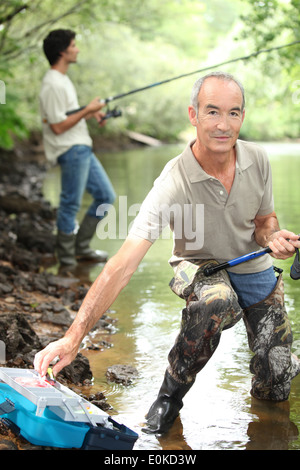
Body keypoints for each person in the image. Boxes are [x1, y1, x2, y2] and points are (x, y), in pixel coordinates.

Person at [34, 71, 300, 435]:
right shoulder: (172, 181)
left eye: (234, 113)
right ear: (193, 115)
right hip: (200, 266)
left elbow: (265, 220)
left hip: (252, 266)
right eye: (212, 112)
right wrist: (74, 336)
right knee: (216, 300)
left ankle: (277, 384)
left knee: (276, 384)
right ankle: (169, 395)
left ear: (243, 116)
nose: (224, 125)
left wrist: (272, 238)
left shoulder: (258, 159)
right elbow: (122, 264)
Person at [40, 29, 116, 266]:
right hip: (70, 149)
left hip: (81, 147)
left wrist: (91, 114)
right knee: (70, 203)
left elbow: (67, 115)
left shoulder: (62, 80)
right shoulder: (52, 84)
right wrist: (87, 110)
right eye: (73, 45)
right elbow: (57, 127)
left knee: (105, 196)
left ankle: (80, 248)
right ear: (63, 51)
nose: (77, 49)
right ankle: (66, 260)